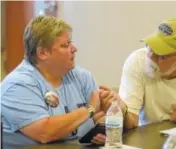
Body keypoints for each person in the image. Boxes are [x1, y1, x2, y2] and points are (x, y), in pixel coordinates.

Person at [1, 16, 108, 149]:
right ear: (43, 53)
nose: (74, 48)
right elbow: (45, 132)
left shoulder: (82, 77)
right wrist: (89, 110)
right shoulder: (17, 85)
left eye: (71, 42)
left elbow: (99, 116)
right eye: (65, 45)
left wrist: (103, 126)